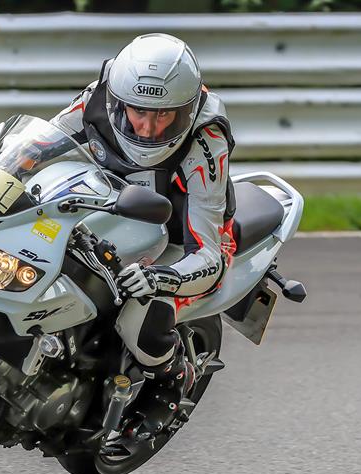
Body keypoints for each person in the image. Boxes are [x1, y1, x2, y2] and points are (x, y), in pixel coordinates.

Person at [50, 33, 237, 434]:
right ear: (118, 100)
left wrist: (162, 277)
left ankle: (171, 381)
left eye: (165, 115)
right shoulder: (98, 96)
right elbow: (44, 144)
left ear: (187, 109)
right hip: (115, 211)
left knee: (142, 317)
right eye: (138, 111)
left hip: (182, 239)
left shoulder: (207, 139)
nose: (149, 127)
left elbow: (210, 255)